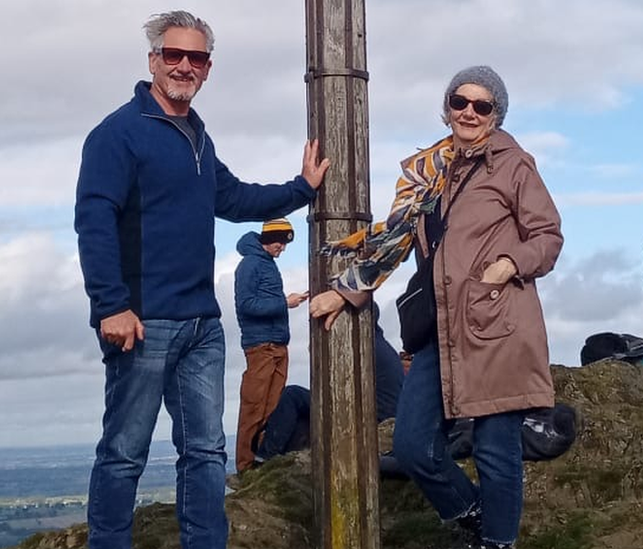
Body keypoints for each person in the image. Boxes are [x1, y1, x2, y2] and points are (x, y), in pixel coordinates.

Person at [74, 10, 330, 549]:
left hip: (201, 326)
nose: (184, 66)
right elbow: (93, 220)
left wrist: (301, 189)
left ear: (208, 68)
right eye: (174, 55)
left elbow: (233, 198)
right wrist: (110, 306)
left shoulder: (197, 136)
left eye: (197, 58)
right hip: (143, 320)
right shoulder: (117, 134)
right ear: (153, 60)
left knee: (206, 451)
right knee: (125, 451)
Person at [309, 65, 563, 549]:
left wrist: (509, 263)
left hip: (496, 327)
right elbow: (394, 242)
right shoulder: (431, 175)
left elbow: (548, 235)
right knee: (412, 446)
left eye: (482, 105)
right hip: (438, 331)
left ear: (496, 114)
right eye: (459, 102)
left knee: (495, 451)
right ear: (447, 109)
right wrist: (343, 292)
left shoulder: (513, 165)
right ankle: (473, 518)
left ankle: (496, 542)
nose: (469, 112)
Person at [252, 303, 404, 463]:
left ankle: (264, 458)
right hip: (382, 415)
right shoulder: (378, 344)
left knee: (293, 396)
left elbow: (334, 391)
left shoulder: (359, 345)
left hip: (370, 417)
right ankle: (272, 458)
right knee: (302, 409)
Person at [232, 217, 308, 472]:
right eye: (281, 242)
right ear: (270, 238)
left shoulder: (268, 265)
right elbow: (245, 305)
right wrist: (284, 303)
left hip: (277, 345)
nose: (283, 248)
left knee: (273, 406)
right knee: (254, 405)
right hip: (260, 346)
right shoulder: (250, 265)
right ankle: (245, 466)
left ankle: (263, 458)